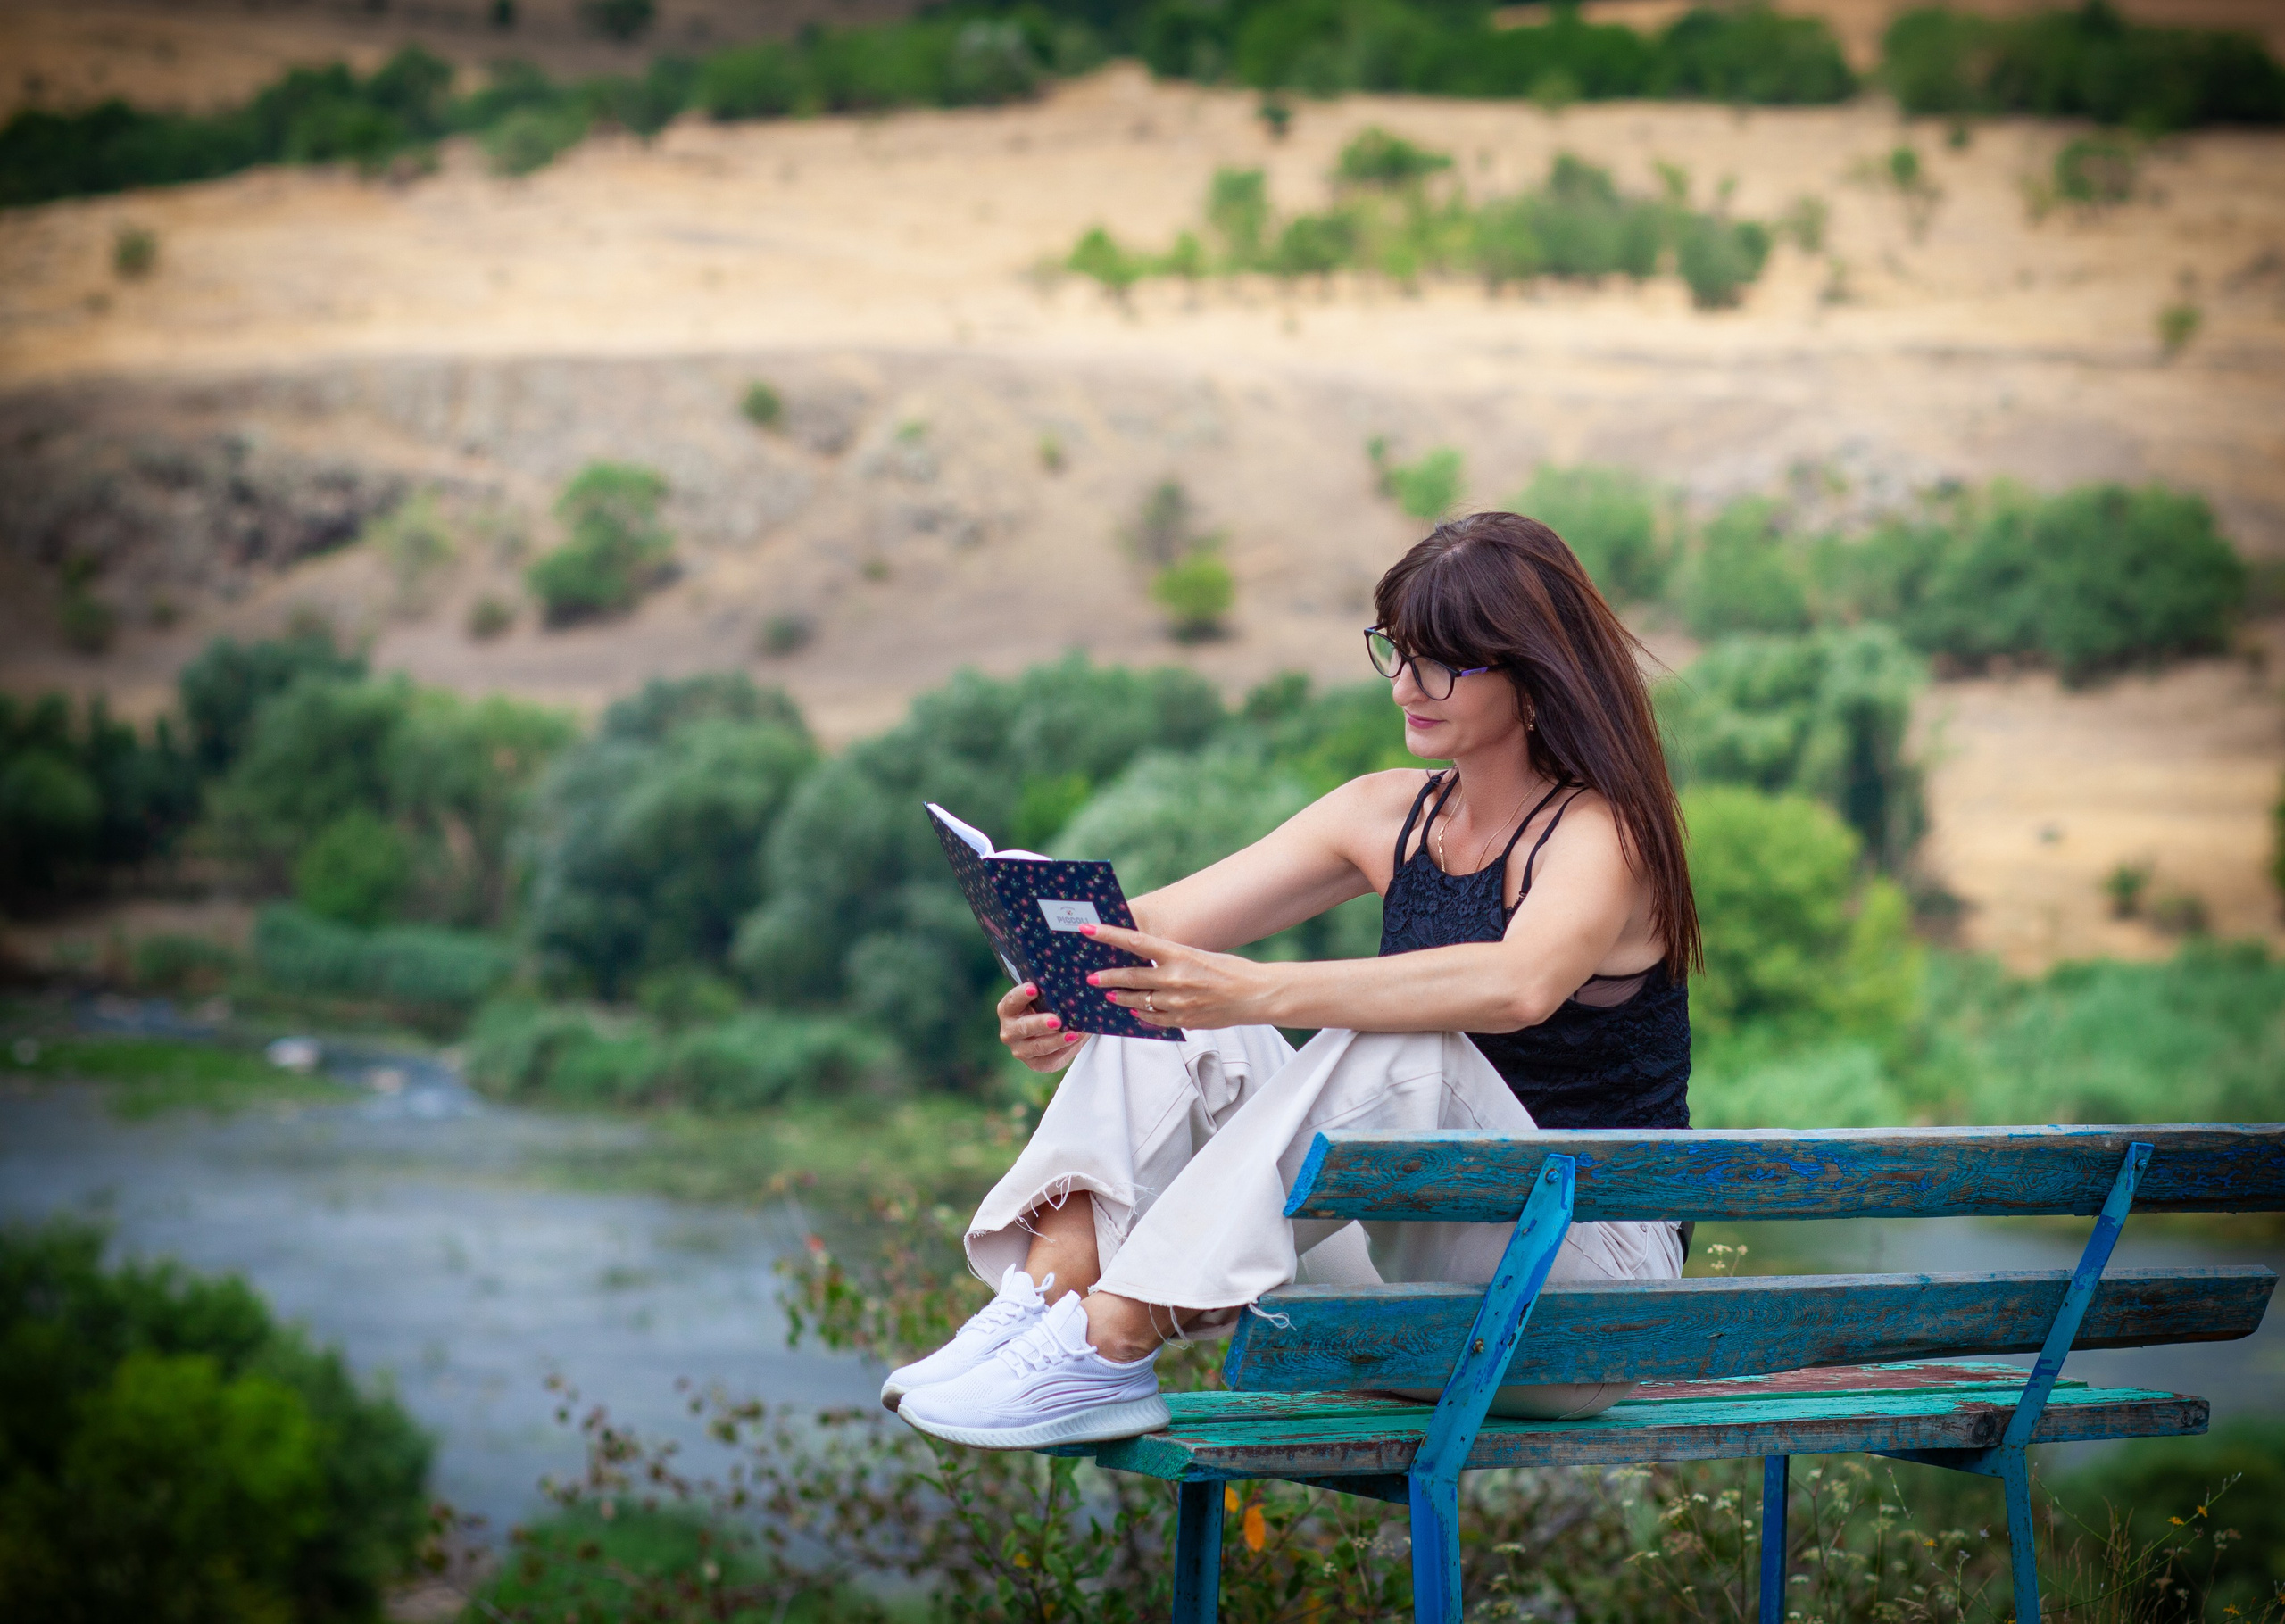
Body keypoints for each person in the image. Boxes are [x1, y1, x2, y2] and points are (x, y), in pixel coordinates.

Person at [889, 510, 1699, 1451]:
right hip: (1412, 1280)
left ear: (1534, 675)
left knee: (1409, 1047)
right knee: (1158, 999)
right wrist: (1060, 980)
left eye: (1438, 662)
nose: (1404, 683)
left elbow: (1517, 984)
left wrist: (1254, 988)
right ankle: (1050, 1300)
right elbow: (1148, 929)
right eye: (1394, 650)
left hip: (1581, 1306)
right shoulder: (1386, 810)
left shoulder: (1606, 835)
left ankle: (1112, 1343)